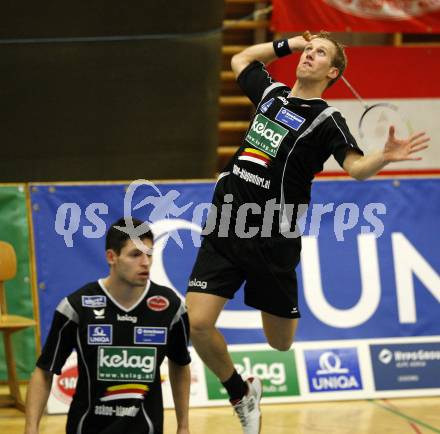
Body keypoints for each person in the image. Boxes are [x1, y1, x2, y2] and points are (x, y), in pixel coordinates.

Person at [186, 31, 430, 434]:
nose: (310, 56)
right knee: (196, 323)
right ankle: (239, 391)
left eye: (320, 53)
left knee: (279, 343)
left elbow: (353, 167)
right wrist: (289, 44)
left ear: (332, 71)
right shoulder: (271, 95)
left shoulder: (326, 119)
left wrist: (383, 157)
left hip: (272, 237)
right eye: (310, 50)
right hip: (227, 222)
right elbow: (241, 59)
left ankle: (251, 381)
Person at [24, 218, 191, 434]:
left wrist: (183, 426)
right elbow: (44, 371)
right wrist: (31, 428)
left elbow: (180, 365)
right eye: (135, 254)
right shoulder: (76, 306)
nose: (146, 262)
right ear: (111, 257)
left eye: (149, 254)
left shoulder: (172, 307)